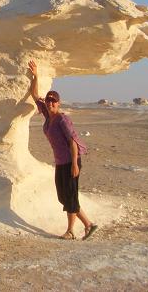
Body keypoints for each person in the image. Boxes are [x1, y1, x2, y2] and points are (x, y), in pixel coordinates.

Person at [28, 59, 98, 240]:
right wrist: (36, 76)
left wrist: (74, 164)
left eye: (53, 101)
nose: (50, 103)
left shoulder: (62, 119)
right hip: (60, 162)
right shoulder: (47, 114)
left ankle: (71, 230)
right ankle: (89, 225)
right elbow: (34, 94)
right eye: (48, 100)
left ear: (59, 103)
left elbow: (72, 142)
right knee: (64, 197)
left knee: (70, 197)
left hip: (70, 161)